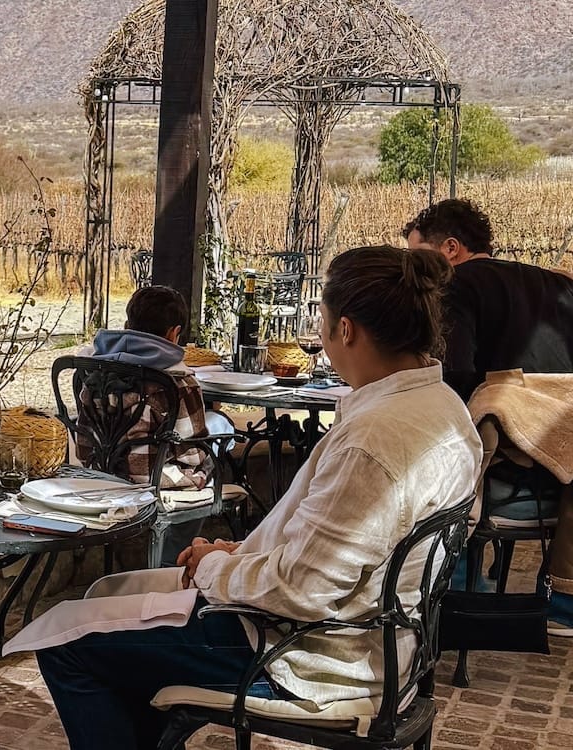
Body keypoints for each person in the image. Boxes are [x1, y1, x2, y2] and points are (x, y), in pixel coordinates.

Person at [31, 247, 481, 750]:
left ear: (347, 330)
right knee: (111, 601)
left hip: (309, 656)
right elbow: (336, 551)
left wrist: (211, 569)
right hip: (384, 643)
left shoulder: (373, 440)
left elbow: (303, 589)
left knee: (66, 644)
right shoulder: (445, 409)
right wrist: (238, 556)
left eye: (324, 324)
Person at [405, 198, 573, 635]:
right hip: (562, 470)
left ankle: (449, 589)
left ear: (450, 250)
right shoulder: (555, 285)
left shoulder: (457, 285)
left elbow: (455, 379)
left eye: (415, 257)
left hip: (506, 470)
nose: (410, 272)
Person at [76, 285, 211, 565]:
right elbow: (192, 453)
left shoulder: (95, 368)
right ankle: (169, 561)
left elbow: (84, 438)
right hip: (149, 480)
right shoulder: (177, 381)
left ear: (128, 325)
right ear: (174, 333)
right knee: (212, 461)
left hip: (101, 470)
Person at [403, 198, 573, 401]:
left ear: (451, 248)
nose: (413, 267)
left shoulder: (452, 286)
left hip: (502, 423)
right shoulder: (559, 283)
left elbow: (454, 374)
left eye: (417, 256)